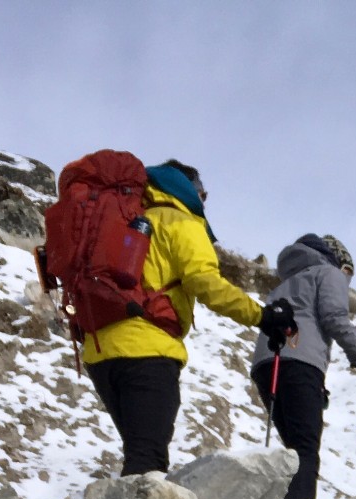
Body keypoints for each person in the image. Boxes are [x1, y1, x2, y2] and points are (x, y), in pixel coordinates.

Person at [82, 159, 261, 476]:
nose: (204, 203)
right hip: (147, 349)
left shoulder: (128, 219)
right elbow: (204, 282)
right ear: (191, 191)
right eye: (203, 195)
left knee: (139, 452)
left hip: (100, 352)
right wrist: (261, 315)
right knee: (148, 460)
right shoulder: (179, 220)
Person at [250, 234, 356, 499]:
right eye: (348, 272)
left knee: (293, 446)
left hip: (267, 363)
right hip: (301, 362)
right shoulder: (329, 272)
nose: (346, 281)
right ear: (337, 260)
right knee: (304, 447)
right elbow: (334, 317)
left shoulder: (285, 283)